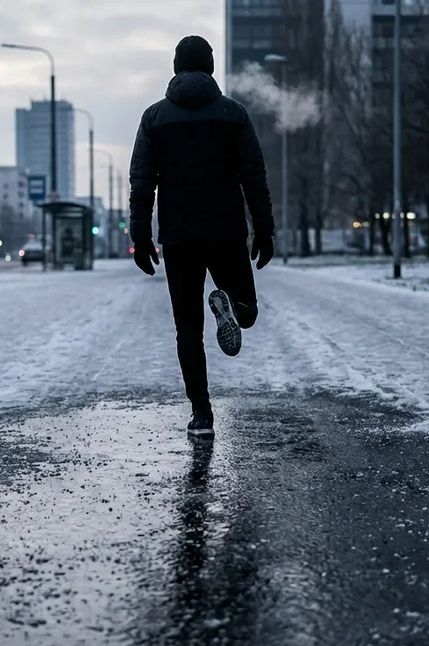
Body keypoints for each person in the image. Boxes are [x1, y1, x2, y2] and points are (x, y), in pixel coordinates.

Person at [128, 35, 276, 437]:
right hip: (227, 231)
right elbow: (253, 177)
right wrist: (264, 228)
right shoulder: (234, 114)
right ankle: (232, 304)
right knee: (248, 310)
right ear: (210, 67)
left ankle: (202, 415)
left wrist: (140, 236)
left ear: (176, 67)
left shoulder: (154, 117)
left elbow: (142, 183)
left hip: (179, 237)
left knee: (187, 329)